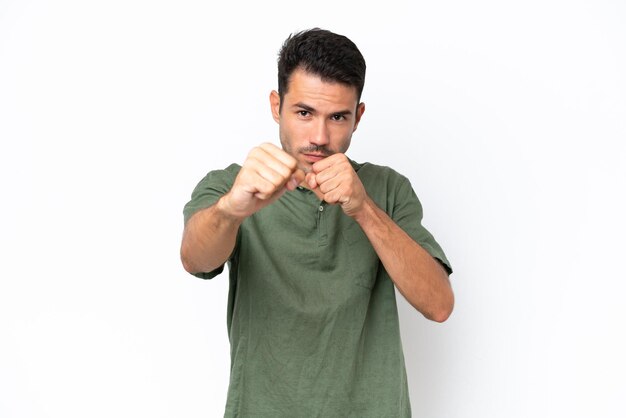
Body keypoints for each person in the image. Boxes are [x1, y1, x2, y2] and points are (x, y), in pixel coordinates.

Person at [180, 28, 454, 418]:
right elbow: (195, 259)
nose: (320, 137)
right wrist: (233, 209)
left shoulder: (387, 188)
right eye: (304, 113)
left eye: (338, 117)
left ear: (358, 117)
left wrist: (363, 209)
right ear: (277, 106)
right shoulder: (230, 185)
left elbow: (439, 305)